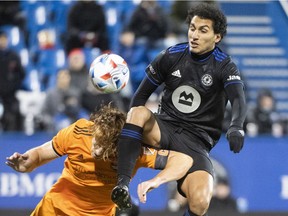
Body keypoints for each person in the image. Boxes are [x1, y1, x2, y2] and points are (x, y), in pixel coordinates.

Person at [111, 3, 247, 216]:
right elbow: (139, 97)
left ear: (217, 37)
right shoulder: (170, 56)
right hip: (164, 128)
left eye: (203, 30)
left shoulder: (225, 66)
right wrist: (130, 130)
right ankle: (122, 186)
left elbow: (238, 98)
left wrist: (236, 127)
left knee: (200, 203)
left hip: (196, 142)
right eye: (192, 28)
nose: (194, 35)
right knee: (137, 112)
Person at [6, 104, 192, 216]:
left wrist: (156, 180)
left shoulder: (133, 151)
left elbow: (184, 160)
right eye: (96, 139)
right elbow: (38, 155)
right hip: (53, 209)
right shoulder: (78, 131)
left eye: (103, 146)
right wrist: (25, 163)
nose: (95, 148)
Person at [0, 30, 25, 131]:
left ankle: (13, 135)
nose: (2, 41)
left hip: (10, 94)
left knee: (14, 113)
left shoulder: (13, 56)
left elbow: (21, 73)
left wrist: (13, 86)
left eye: (4, 39)